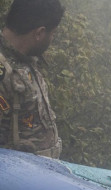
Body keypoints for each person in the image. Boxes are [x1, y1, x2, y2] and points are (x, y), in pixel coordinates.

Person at [0, 0, 64, 158]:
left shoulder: (27, 58)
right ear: (39, 33)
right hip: (14, 170)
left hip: (40, 168)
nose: (52, 39)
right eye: (52, 34)